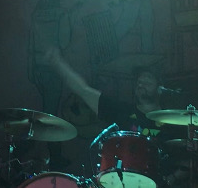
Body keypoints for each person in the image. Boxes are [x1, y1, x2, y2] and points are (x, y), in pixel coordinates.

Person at [41, 47, 187, 186]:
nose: (141, 83)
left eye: (147, 79)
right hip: (119, 181)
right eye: (138, 81)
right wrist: (58, 63)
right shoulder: (121, 110)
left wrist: (171, 179)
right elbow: (83, 90)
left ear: (160, 88)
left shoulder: (173, 121)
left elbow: (188, 163)